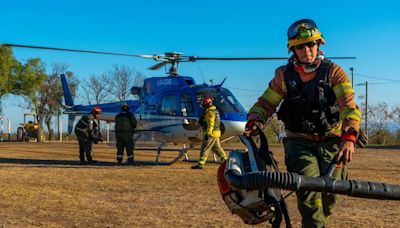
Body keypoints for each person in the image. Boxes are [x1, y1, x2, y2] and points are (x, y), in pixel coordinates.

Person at [245, 19, 361, 227]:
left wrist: (350, 137)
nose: (306, 50)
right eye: (300, 46)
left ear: (319, 45)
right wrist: (255, 119)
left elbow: (349, 107)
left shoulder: (335, 72)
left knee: (332, 194)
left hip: (332, 141)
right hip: (299, 142)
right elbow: (265, 103)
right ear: (293, 50)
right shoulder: (283, 76)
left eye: (310, 44)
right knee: (309, 195)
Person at [192, 96, 227, 169]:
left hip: (211, 134)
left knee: (204, 148)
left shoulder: (210, 112)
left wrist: (208, 133)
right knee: (217, 149)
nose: (204, 106)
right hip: (216, 133)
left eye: (205, 104)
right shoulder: (215, 111)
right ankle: (226, 162)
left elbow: (211, 124)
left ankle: (200, 164)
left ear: (208, 104)